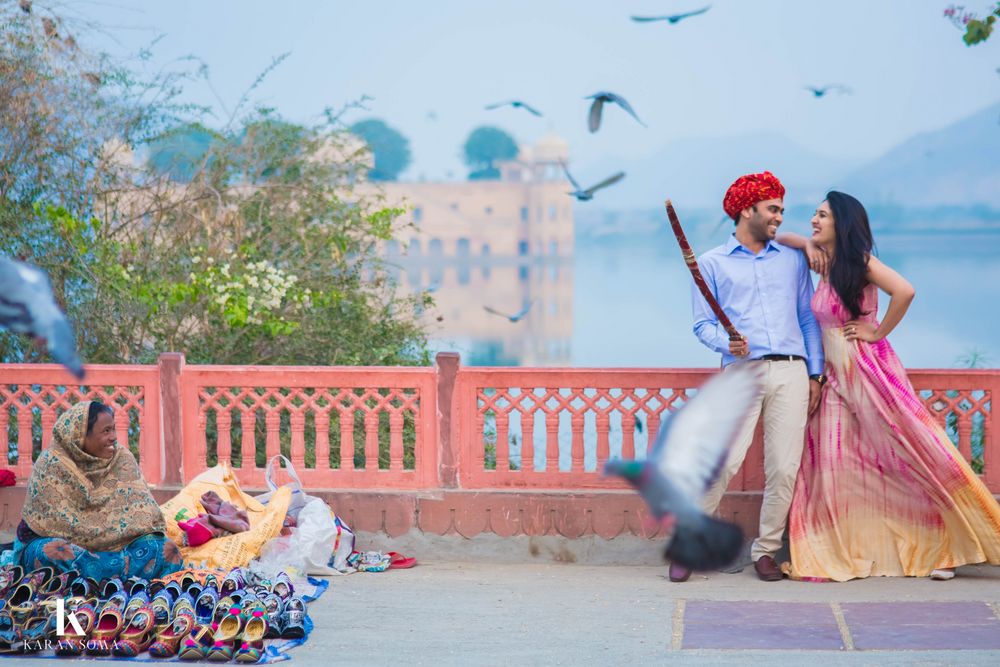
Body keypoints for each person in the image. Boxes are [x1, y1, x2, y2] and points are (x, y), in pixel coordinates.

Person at [778, 191, 1000, 582]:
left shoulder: (860, 262)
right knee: (837, 463)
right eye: (814, 214)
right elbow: (782, 238)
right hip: (833, 378)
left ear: (842, 223)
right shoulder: (826, 262)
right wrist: (810, 241)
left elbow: (905, 290)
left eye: (823, 216)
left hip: (865, 370)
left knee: (905, 453)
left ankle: (945, 546)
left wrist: (876, 331)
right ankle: (851, 545)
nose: (814, 219)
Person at [682, 171, 825, 583]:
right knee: (724, 462)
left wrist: (815, 374)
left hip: (792, 371)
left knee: (784, 467)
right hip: (741, 372)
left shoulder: (792, 258)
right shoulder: (711, 263)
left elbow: (806, 317)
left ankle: (765, 551)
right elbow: (702, 325)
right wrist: (729, 345)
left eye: (781, 209)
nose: (780, 217)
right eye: (773, 209)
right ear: (748, 210)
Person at [13, 401, 182, 580]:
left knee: (165, 549)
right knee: (51, 551)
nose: (113, 437)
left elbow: (143, 516)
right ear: (80, 435)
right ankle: (117, 581)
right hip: (72, 551)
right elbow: (44, 526)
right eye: (106, 431)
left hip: (118, 550)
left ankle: (94, 581)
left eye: (114, 429)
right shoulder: (51, 463)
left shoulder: (121, 459)